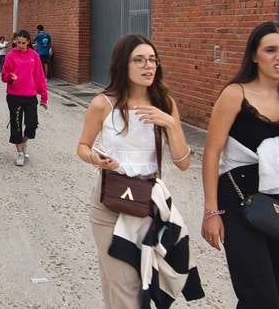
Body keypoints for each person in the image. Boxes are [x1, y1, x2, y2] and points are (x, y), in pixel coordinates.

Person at [202, 21, 279, 307]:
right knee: (258, 294)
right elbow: (211, 153)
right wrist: (211, 211)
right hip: (236, 197)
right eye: (271, 50)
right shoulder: (236, 94)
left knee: (276, 296)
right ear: (255, 56)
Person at [77, 34, 201, 308]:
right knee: (125, 288)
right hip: (110, 202)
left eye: (152, 60)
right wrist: (95, 158)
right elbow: (83, 147)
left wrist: (171, 124)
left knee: (143, 281)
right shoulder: (103, 104)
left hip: (149, 203)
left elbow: (183, 163)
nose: (148, 66)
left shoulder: (164, 103)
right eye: (139, 60)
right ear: (123, 64)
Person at [1, 29, 48, 166]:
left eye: (23, 43)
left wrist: (44, 96)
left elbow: (39, 76)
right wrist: (10, 77)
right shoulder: (10, 56)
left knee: (32, 124)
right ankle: (20, 153)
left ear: (28, 42)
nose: (20, 45)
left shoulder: (34, 55)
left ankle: (23, 142)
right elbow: (4, 76)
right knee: (16, 125)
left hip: (30, 95)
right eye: (18, 42)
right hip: (14, 96)